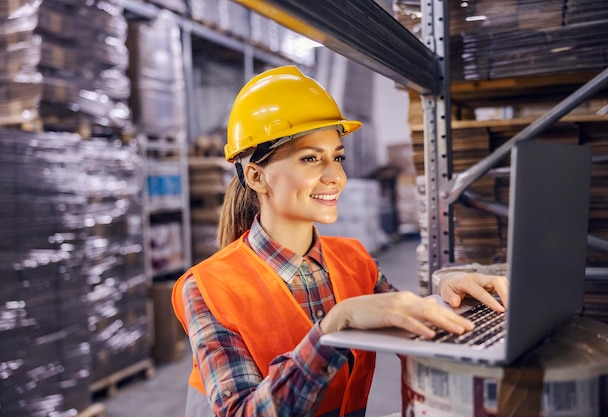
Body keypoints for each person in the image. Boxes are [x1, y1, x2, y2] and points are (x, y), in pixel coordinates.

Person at [171, 65, 508, 417]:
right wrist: (333, 327)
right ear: (256, 176)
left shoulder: (354, 259)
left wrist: (449, 295)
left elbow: (406, 324)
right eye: (311, 158)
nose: (335, 177)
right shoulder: (206, 288)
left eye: (337, 157)